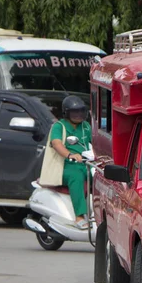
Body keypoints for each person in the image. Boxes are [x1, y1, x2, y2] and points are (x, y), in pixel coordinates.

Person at [50, 95, 92, 229]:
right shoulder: (59, 126)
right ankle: (79, 217)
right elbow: (56, 144)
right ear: (66, 113)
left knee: (101, 178)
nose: (79, 115)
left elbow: (95, 143)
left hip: (86, 164)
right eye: (75, 112)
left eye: (81, 111)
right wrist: (70, 155)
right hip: (66, 166)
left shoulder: (85, 126)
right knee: (76, 177)